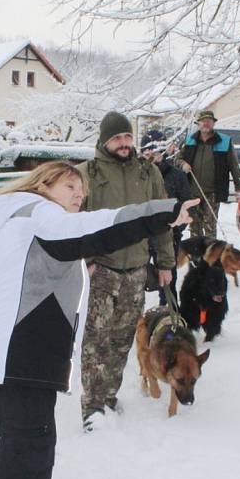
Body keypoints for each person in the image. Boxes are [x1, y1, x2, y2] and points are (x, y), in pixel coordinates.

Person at [0, 161, 198, 479]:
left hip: (5, 358)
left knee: (18, 452)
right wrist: (160, 213)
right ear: (43, 183)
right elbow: (100, 225)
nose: (78, 195)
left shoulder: (14, 220)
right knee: (32, 458)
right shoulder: (38, 214)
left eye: (82, 190)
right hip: (22, 358)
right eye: (70, 185)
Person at [76, 112, 176, 430]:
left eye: (127, 137)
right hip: (100, 270)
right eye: (117, 138)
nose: (123, 143)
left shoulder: (147, 173)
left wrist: (165, 262)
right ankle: (92, 407)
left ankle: (108, 396)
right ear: (105, 140)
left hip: (135, 270)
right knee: (96, 340)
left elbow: (162, 219)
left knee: (121, 339)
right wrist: (86, 259)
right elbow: (74, 220)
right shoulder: (87, 173)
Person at [175, 110, 240, 238]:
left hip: (213, 192)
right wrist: (183, 164)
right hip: (192, 192)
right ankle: (197, 257)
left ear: (213, 123)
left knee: (210, 229)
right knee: (194, 228)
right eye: (203, 121)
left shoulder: (224, 141)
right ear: (198, 124)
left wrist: (239, 186)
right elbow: (177, 159)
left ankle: (210, 256)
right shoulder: (190, 140)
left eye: (209, 121)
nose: (206, 123)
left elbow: (234, 166)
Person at [140, 130, 191, 306]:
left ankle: (170, 323)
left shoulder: (177, 176)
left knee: (168, 284)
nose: (152, 157)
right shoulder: (138, 176)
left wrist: (175, 228)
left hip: (168, 238)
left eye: (155, 153)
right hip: (141, 238)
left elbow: (185, 205)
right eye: (147, 153)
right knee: (137, 282)